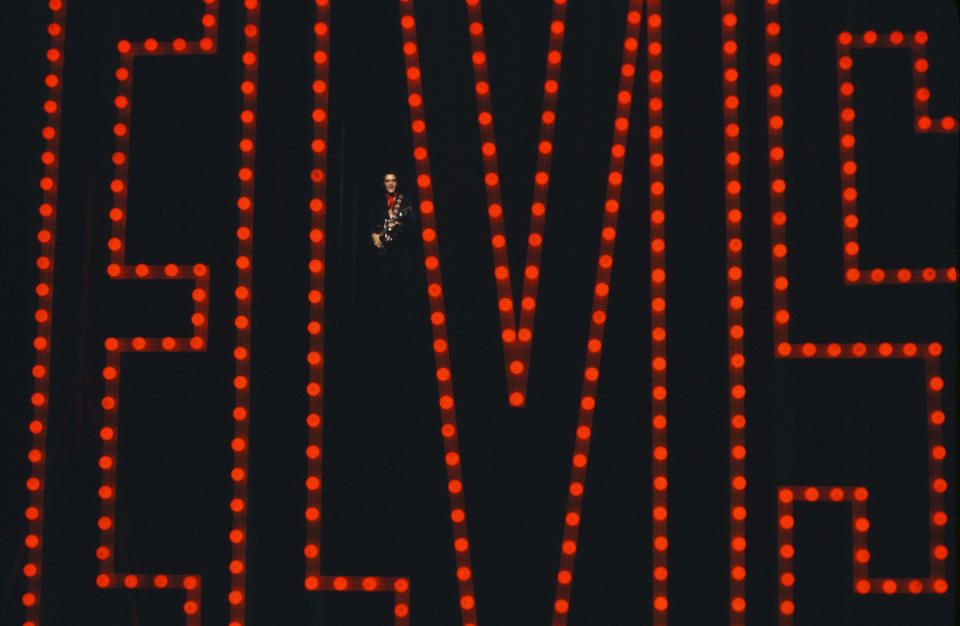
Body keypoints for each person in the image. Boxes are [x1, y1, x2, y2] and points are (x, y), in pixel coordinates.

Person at [364, 172, 420, 328]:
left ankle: (403, 320)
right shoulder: (376, 203)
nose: (390, 183)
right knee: (382, 284)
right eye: (387, 181)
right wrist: (374, 235)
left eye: (393, 180)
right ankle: (382, 318)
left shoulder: (406, 201)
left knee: (402, 284)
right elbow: (369, 224)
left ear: (397, 183)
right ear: (383, 183)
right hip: (382, 251)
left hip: (402, 250)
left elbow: (415, 222)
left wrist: (401, 226)